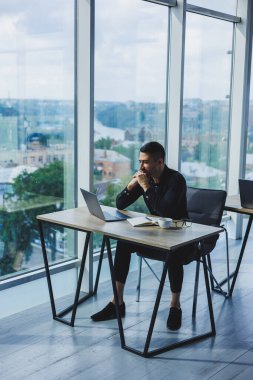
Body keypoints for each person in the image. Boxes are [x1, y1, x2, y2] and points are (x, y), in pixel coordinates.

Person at [91, 141, 197, 330]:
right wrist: (131, 186)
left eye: (145, 162)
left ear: (160, 162)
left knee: (172, 252)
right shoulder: (145, 178)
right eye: (140, 161)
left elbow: (164, 211)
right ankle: (117, 303)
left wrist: (146, 187)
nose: (141, 167)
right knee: (123, 243)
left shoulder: (176, 180)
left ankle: (175, 306)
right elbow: (120, 204)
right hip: (156, 234)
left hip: (181, 237)